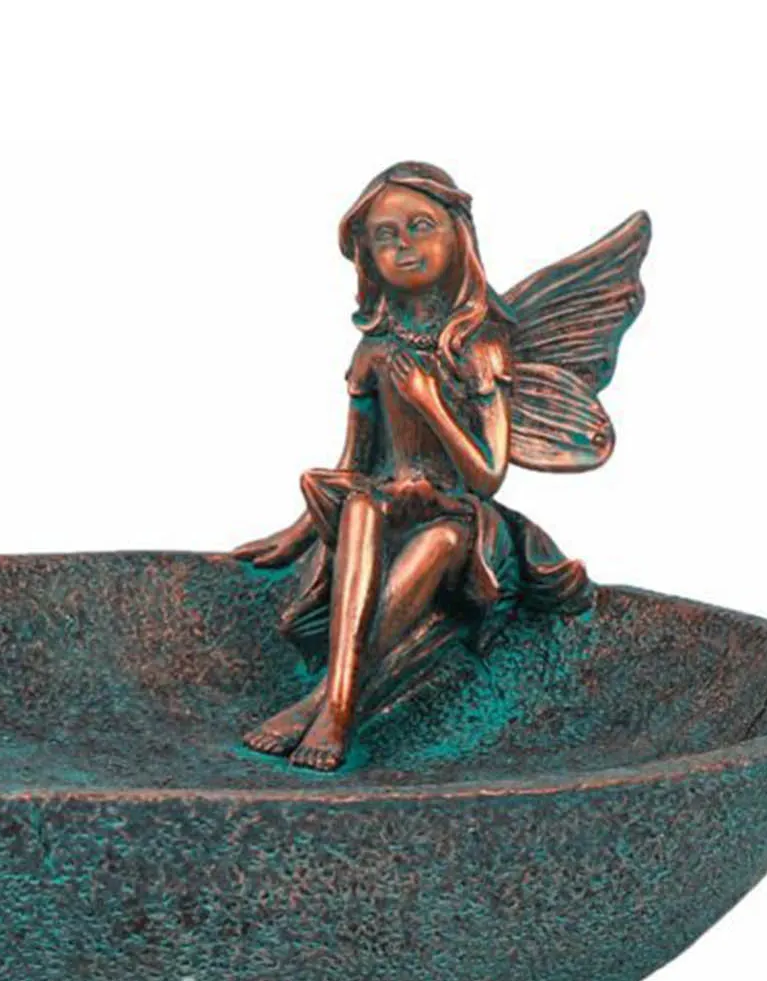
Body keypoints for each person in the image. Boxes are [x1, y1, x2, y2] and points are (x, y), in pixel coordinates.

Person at [235, 162, 649, 771]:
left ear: (458, 234)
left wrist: (430, 400)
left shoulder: (482, 348)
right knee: (361, 507)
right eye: (385, 236)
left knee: (439, 540)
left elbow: (487, 475)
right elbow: (355, 462)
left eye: (420, 226)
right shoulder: (374, 352)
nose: (403, 245)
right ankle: (335, 698)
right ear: (366, 259)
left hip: (463, 520)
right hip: (387, 506)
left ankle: (331, 704)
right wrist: (295, 534)